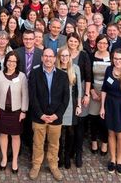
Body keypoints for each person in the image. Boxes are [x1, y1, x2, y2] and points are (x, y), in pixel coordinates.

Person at [28, 48, 70, 181]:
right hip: (39, 117)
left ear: (54, 58)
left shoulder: (63, 76)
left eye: (51, 56)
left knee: (54, 144)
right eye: (45, 56)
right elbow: (32, 96)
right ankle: (36, 165)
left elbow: (66, 98)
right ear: (42, 58)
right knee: (37, 143)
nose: (48, 59)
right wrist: (40, 114)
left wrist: (57, 115)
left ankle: (53, 165)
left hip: (56, 118)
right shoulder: (34, 74)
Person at [0, 51, 28, 174]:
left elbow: (25, 95)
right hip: (2, 110)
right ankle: (4, 158)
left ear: (17, 63)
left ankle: (14, 161)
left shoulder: (22, 76)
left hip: (16, 111)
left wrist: (24, 111)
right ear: (5, 61)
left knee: (16, 136)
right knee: (3, 135)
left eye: (14, 61)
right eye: (9, 60)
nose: (11, 63)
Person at [100, 49, 121, 176]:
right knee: (110, 133)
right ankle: (113, 159)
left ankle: (119, 160)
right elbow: (104, 89)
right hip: (109, 105)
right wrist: (102, 107)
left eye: (120, 59)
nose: (117, 61)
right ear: (112, 59)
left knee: (120, 135)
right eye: (115, 58)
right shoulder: (109, 70)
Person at [67, 32, 92, 167]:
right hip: (67, 92)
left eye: (75, 41)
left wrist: (87, 94)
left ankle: (78, 153)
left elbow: (88, 76)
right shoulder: (63, 54)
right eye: (70, 41)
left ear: (79, 43)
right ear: (67, 42)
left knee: (80, 124)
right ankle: (70, 150)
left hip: (81, 90)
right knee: (70, 124)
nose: (73, 44)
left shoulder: (83, 55)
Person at [56, 47, 82, 169]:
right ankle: (60, 155)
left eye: (67, 55)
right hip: (58, 104)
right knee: (59, 133)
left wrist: (79, 105)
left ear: (70, 57)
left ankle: (67, 155)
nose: (64, 58)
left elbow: (79, 89)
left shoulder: (75, 68)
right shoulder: (56, 69)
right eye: (62, 55)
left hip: (72, 104)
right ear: (59, 57)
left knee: (71, 132)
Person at [89, 35, 110, 156]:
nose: (102, 45)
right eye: (100, 43)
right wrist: (91, 90)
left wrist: (104, 93)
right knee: (94, 118)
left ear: (108, 44)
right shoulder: (91, 56)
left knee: (104, 119)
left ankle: (104, 142)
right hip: (94, 91)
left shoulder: (112, 57)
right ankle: (93, 141)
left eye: (104, 43)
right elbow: (89, 75)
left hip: (107, 91)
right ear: (96, 44)